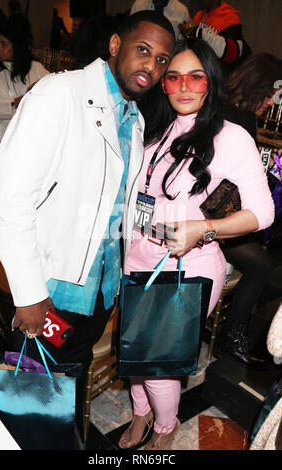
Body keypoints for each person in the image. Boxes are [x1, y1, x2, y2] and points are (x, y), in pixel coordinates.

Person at [0, 11, 175, 369]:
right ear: (116, 44)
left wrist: (115, 283)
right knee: (28, 402)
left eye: (162, 59)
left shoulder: (135, 117)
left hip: (99, 295)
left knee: (66, 392)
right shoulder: (59, 93)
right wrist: (29, 294)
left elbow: (118, 207)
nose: (151, 66)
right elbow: (9, 202)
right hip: (51, 292)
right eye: (144, 50)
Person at [118, 38, 274, 450]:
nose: (184, 86)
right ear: (163, 85)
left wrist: (203, 228)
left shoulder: (231, 136)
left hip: (190, 266)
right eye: (173, 77)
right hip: (137, 254)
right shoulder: (155, 126)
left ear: (211, 82)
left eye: (195, 76)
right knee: (135, 350)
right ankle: (140, 412)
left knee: (159, 365)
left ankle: (166, 430)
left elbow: (262, 213)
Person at [216, 53, 282, 368]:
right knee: (261, 265)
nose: (272, 101)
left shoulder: (232, 111)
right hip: (209, 215)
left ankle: (232, 328)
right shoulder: (234, 118)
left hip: (218, 209)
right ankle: (232, 334)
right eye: (270, 94)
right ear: (257, 86)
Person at [0, 17, 49, 140]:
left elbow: (53, 88)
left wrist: (42, 87)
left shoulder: (36, 68)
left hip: (28, 134)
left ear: (17, 45)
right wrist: (14, 103)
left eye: (4, 45)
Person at [182, 0, 251, 74]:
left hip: (218, 76)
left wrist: (198, 32)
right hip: (199, 70)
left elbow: (233, 54)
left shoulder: (229, 17)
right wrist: (186, 34)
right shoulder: (199, 15)